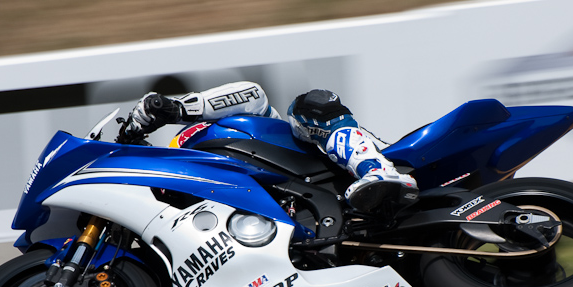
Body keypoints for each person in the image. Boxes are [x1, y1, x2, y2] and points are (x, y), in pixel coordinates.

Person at [127, 81, 418, 212]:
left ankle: (376, 169)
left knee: (308, 105)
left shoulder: (242, 135)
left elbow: (253, 95)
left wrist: (173, 110)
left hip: (328, 165)